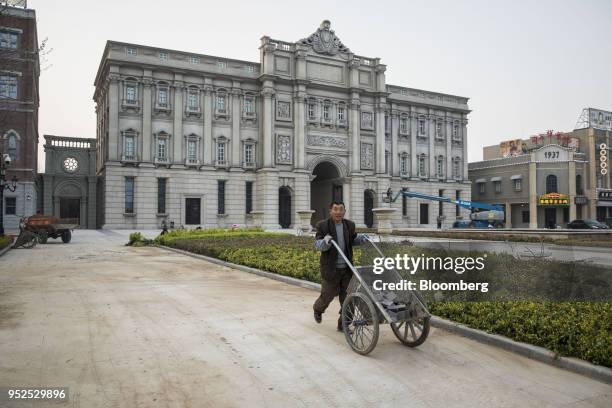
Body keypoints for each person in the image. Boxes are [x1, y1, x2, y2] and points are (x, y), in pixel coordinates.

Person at [313, 201, 368, 331]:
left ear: (344, 211)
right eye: (335, 209)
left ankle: (343, 324)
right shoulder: (323, 226)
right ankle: (318, 310)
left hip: (347, 270)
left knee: (349, 299)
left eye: (341, 209)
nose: (338, 212)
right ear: (330, 211)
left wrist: (361, 239)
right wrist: (325, 242)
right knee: (327, 296)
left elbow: (353, 240)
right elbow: (317, 245)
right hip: (331, 270)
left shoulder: (349, 225)